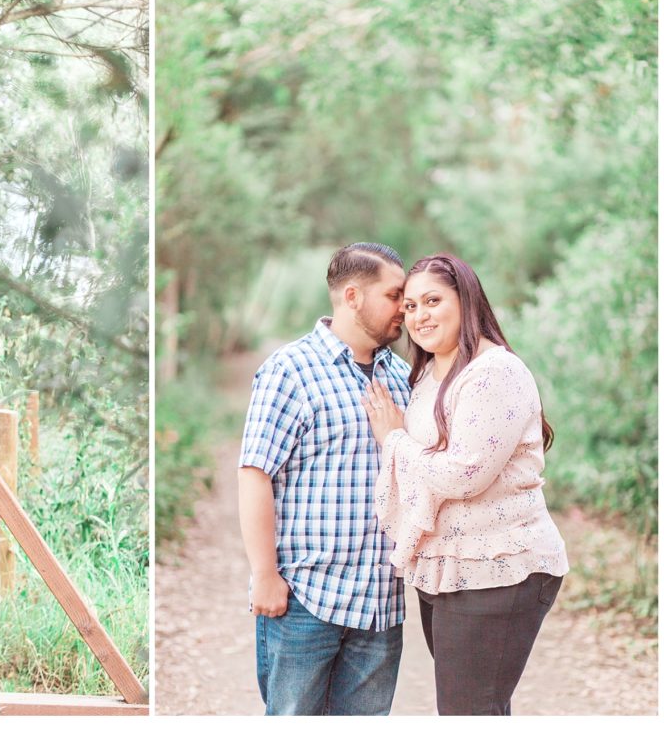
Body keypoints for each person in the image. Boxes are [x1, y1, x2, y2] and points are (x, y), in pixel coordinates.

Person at [362, 253, 569, 715]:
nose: (419, 316)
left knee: (469, 710)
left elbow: (464, 474)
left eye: (432, 300)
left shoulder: (494, 371)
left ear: (466, 300)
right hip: (450, 567)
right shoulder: (431, 373)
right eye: (411, 307)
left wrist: (393, 439)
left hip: (500, 567)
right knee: (476, 708)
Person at [238, 242, 412, 715]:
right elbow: (255, 474)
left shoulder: (401, 377)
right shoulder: (289, 370)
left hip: (381, 604)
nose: (405, 307)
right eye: (395, 295)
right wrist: (264, 575)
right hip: (306, 601)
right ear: (353, 296)